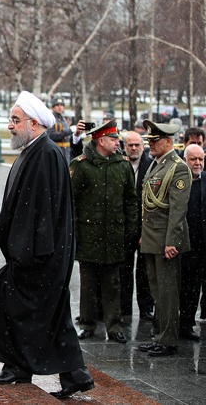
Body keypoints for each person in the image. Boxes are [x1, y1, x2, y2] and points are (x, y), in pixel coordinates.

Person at [0, 91, 94, 400]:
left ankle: (69, 374)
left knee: (39, 314)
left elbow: (42, 211)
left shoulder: (47, 154)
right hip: (31, 253)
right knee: (37, 315)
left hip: (40, 255)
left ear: (33, 122)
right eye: (11, 120)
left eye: (15, 121)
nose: (10, 126)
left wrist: (26, 253)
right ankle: (28, 368)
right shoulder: (35, 150)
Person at [70, 120, 137, 345]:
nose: (118, 142)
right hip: (89, 233)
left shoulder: (122, 165)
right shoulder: (82, 165)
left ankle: (114, 326)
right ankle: (87, 324)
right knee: (88, 282)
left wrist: (132, 229)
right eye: (113, 139)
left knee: (113, 283)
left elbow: (130, 200)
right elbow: (72, 200)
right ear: (101, 141)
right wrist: (74, 232)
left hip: (114, 234)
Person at [138, 120, 191, 357]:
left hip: (166, 240)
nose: (151, 145)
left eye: (155, 141)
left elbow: (178, 210)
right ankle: (159, 335)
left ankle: (169, 340)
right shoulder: (157, 164)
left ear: (168, 141)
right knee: (157, 290)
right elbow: (147, 203)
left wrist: (173, 241)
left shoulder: (178, 167)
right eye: (149, 141)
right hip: (152, 237)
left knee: (168, 293)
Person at [121, 131, 154, 320]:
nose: (134, 148)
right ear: (124, 146)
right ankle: (124, 307)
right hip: (125, 227)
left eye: (137, 145)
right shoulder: (121, 164)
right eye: (130, 145)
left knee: (144, 271)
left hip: (144, 228)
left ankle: (145, 308)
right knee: (123, 270)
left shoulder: (150, 166)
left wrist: (145, 231)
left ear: (143, 146)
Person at [180, 144, 205, 341]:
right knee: (176, 287)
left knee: (193, 288)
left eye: (200, 159)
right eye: (193, 159)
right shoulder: (180, 181)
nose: (197, 163)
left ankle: (188, 324)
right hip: (181, 244)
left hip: (200, 245)